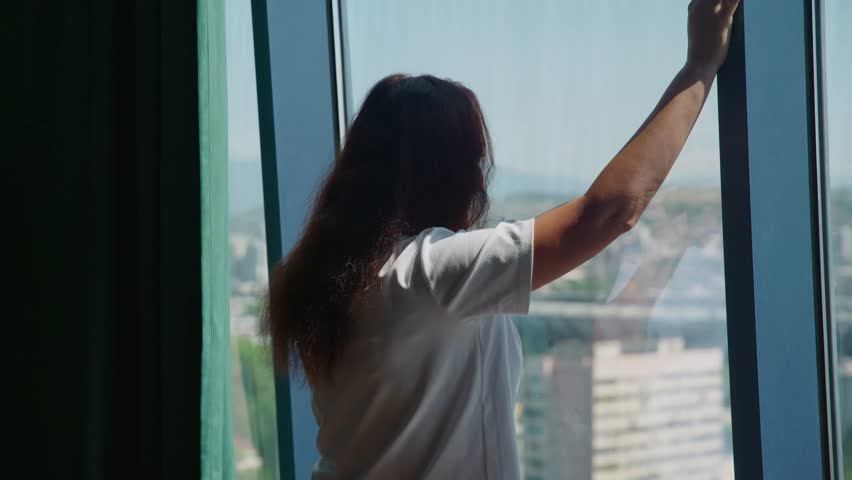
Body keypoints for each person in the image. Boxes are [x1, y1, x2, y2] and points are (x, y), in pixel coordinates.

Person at [263, 0, 740, 478]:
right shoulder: (427, 272)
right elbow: (607, 211)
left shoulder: (336, 276)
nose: (480, 180)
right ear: (446, 172)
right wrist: (700, 65)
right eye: (473, 161)